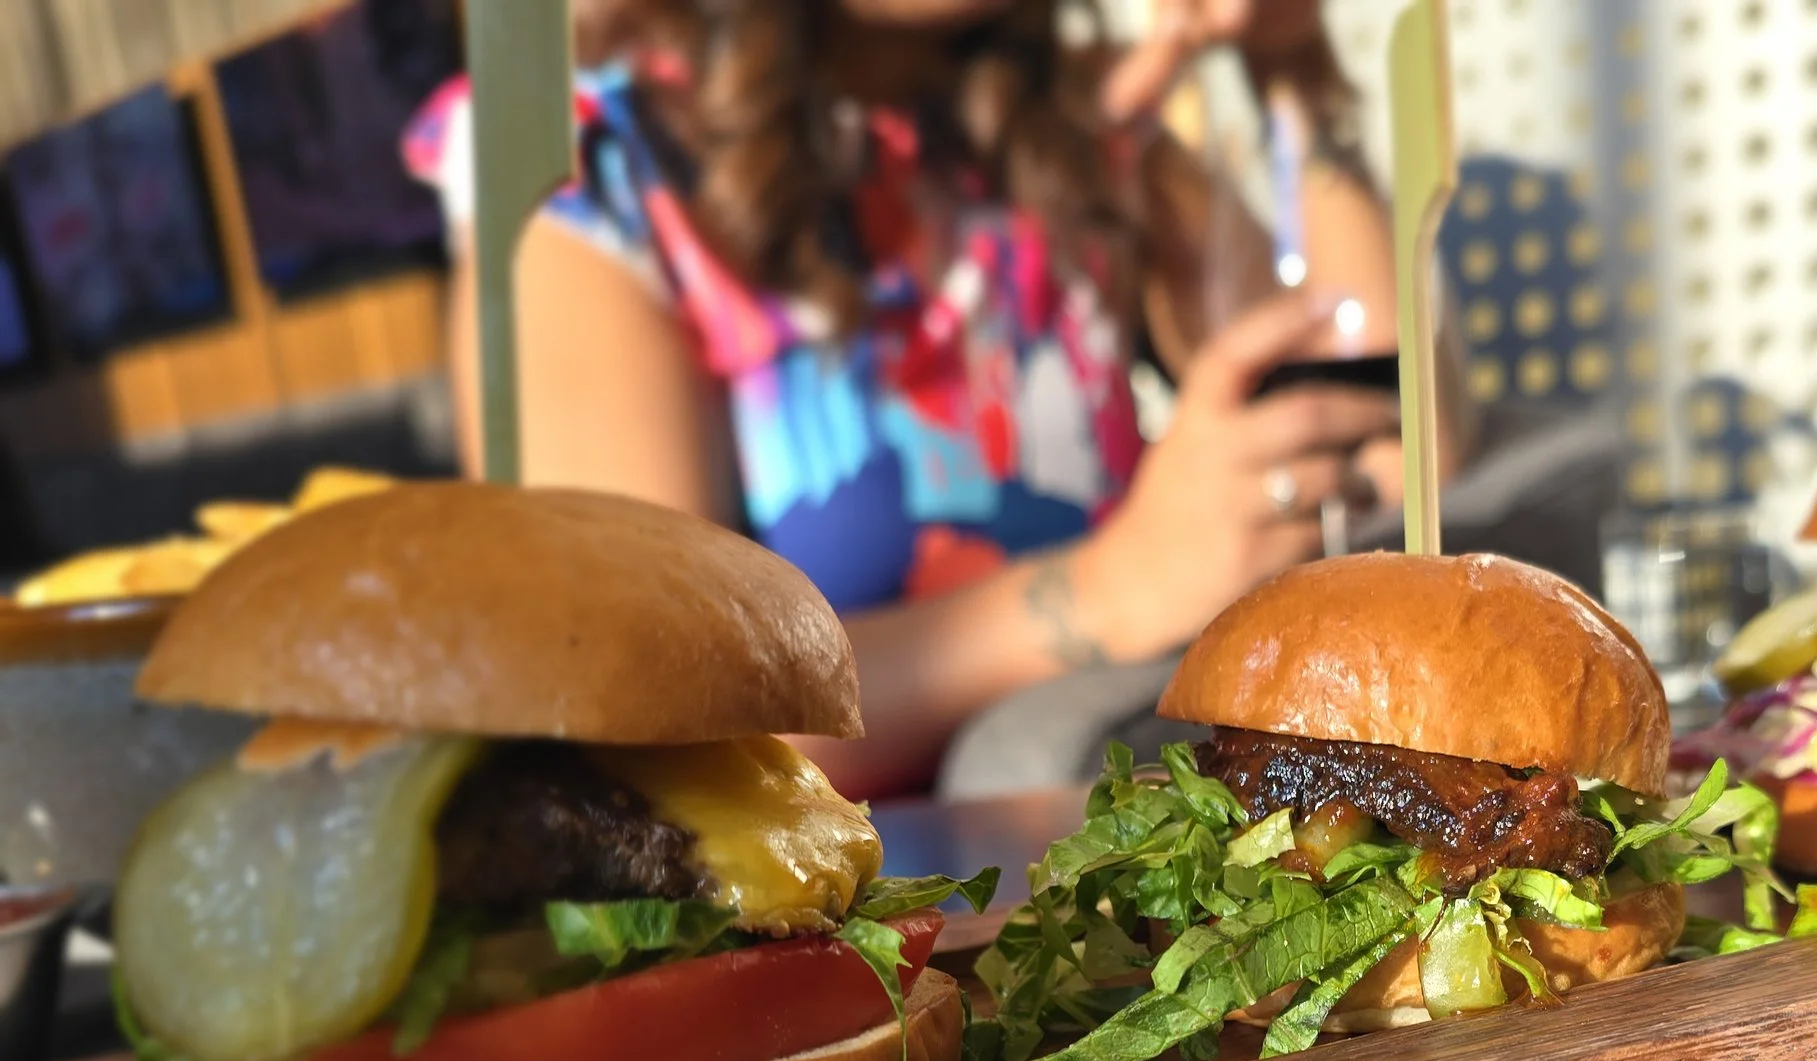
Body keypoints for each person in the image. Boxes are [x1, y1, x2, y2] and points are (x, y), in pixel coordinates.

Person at [409, 0, 1446, 797]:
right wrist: (1104, 593)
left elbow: (1405, 448)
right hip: (840, 954)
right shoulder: (585, 184)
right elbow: (641, 723)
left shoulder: (1071, 130)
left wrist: (1284, 69)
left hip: (1121, 869)